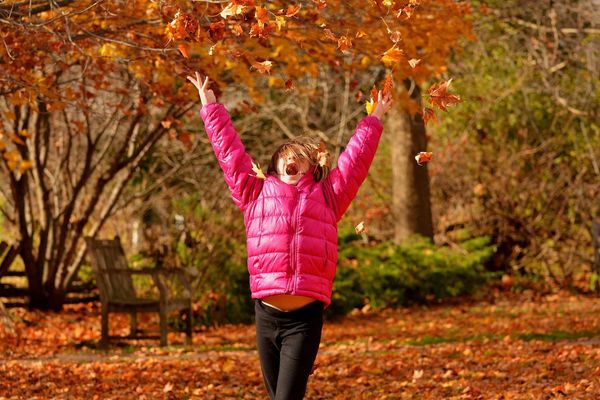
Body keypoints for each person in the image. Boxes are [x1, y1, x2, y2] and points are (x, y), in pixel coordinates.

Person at [187, 71, 392, 400]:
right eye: (285, 156)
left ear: (312, 167)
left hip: (305, 318)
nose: (291, 159)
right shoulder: (253, 194)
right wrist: (211, 108)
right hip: (266, 315)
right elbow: (229, 154)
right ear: (274, 166)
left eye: (299, 156)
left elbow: (355, 163)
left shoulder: (329, 196)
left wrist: (373, 119)